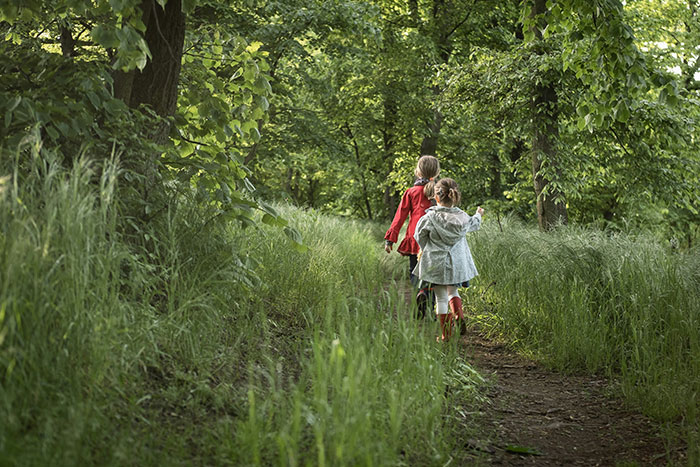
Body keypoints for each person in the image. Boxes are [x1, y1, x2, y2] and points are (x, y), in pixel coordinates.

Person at [413, 178, 484, 342]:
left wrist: (426, 248)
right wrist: (478, 214)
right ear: (455, 197)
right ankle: (459, 316)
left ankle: (446, 335)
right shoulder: (463, 217)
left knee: (441, 298)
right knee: (453, 291)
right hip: (456, 263)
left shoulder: (429, 218)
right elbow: (474, 224)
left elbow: (419, 236)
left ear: (436, 197)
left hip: (435, 263)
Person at [384, 155, 440, 294]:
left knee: (415, 270)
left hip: (416, 238)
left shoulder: (411, 192)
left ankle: (420, 294)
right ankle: (430, 305)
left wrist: (390, 239)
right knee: (434, 273)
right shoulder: (440, 192)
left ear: (418, 171)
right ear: (436, 172)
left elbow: (400, 216)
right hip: (436, 239)